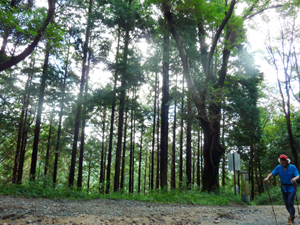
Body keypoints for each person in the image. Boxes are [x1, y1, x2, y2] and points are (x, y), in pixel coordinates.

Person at [264, 154, 300, 225]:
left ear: (287, 161)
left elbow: (298, 175)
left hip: (291, 187)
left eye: (284, 160)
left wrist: (294, 179)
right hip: (284, 187)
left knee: (290, 201)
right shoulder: (278, 167)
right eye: (281, 160)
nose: (283, 162)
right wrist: (267, 178)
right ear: (280, 161)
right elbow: (272, 173)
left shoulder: (292, 167)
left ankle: (292, 217)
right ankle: (291, 214)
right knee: (287, 204)